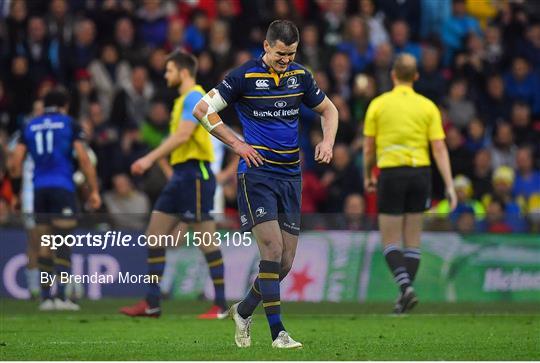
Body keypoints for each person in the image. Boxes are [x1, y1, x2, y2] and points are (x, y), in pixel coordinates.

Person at [193, 20, 338, 349]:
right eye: (281, 54)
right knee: (271, 250)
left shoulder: (300, 76)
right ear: (266, 47)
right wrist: (237, 144)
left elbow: (330, 111)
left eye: (292, 54)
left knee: (284, 263)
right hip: (256, 174)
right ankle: (278, 334)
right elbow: (202, 109)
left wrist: (327, 142)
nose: (286, 59)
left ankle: (243, 311)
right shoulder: (243, 76)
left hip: (291, 176)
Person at [119, 50, 228, 319]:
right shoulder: (182, 100)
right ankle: (153, 302)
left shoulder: (194, 96)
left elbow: (182, 135)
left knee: (206, 240)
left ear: (182, 72)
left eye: (169, 71)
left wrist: (148, 158)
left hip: (195, 174)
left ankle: (222, 306)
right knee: (154, 235)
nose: (165, 75)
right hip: (180, 176)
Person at [363, 54, 457, 314]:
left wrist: (369, 174)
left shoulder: (378, 105)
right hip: (420, 174)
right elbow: (438, 147)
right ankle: (404, 296)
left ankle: (405, 289)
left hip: (391, 173)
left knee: (390, 240)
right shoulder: (428, 107)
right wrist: (449, 184)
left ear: (393, 75)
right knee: (413, 240)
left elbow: (369, 147)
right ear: (416, 77)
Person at [9, 88, 101, 310]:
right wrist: (94, 190)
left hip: (39, 190)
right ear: (65, 105)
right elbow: (83, 158)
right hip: (62, 188)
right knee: (62, 243)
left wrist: (15, 192)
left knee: (43, 244)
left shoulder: (30, 125)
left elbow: (15, 163)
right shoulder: (69, 123)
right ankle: (61, 296)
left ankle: (45, 298)